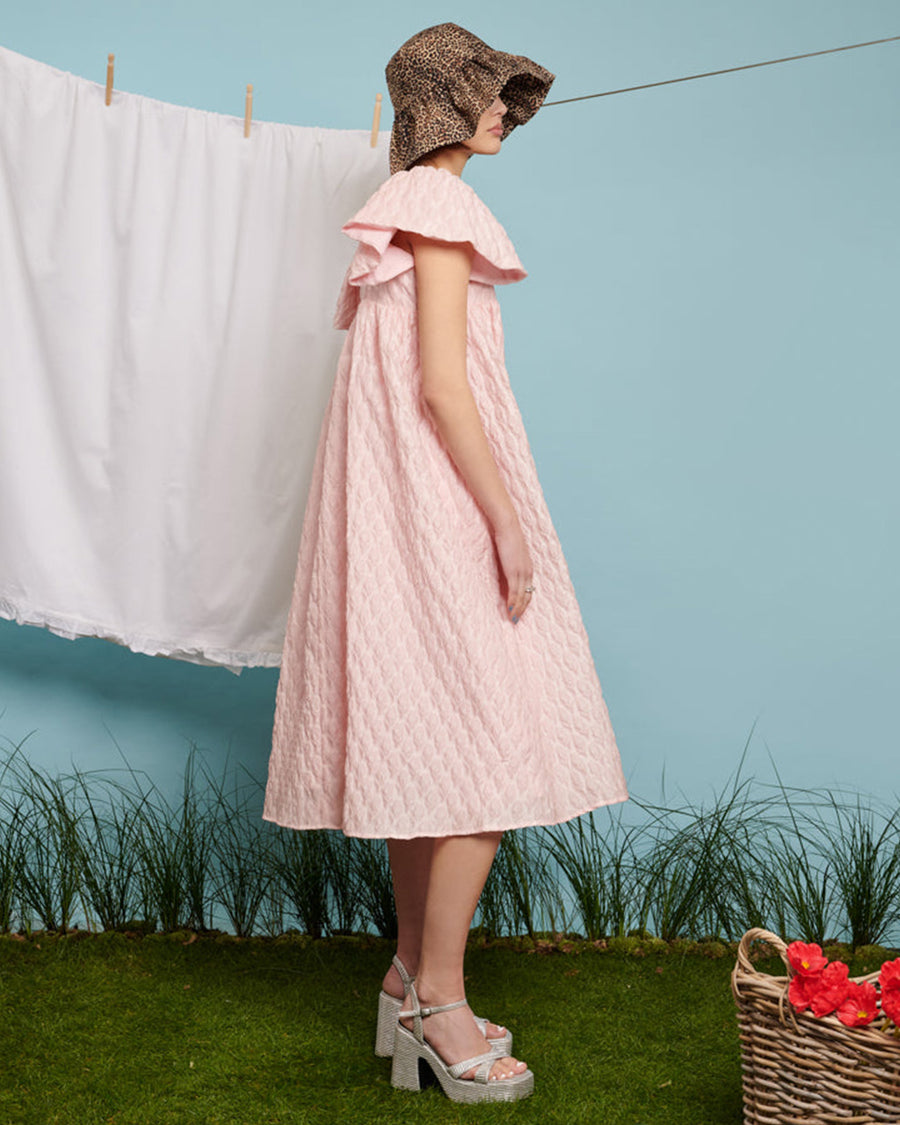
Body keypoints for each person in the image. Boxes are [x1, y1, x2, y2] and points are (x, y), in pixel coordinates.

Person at [262, 22, 628, 1104]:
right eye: (492, 94)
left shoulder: (403, 211)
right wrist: (507, 519)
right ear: (445, 108)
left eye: (511, 95)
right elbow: (440, 383)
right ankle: (440, 1001)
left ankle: (405, 980)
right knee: (486, 742)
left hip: (397, 502)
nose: (506, 111)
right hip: (440, 500)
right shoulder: (442, 205)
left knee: (433, 738)